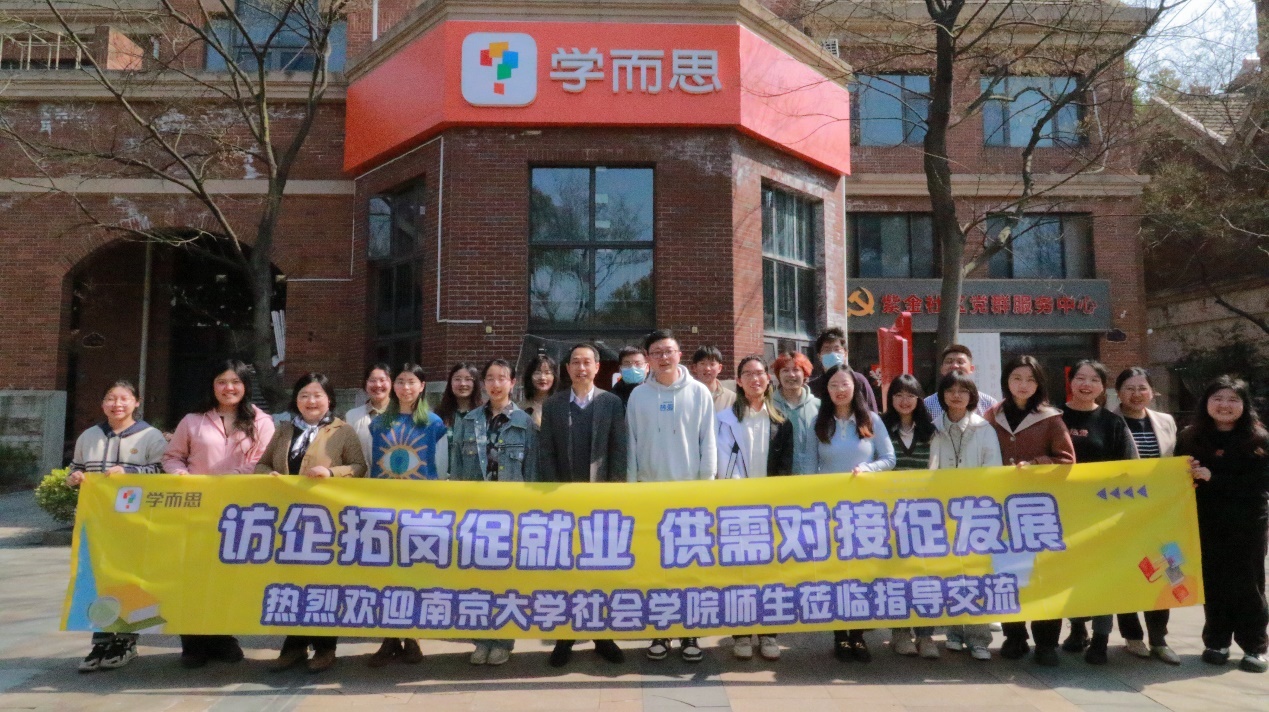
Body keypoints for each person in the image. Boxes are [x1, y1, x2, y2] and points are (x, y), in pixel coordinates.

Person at [162, 359, 275, 669]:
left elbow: (262, 461)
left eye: (235, 382)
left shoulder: (262, 421)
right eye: (222, 382)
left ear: (245, 386)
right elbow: (172, 457)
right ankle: (192, 643)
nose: (229, 388)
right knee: (192, 575)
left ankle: (223, 638)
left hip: (240, 511)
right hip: (195, 510)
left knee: (227, 576)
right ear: (212, 386)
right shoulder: (192, 420)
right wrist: (182, 476)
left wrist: (230, 479)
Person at [256, 373, 367, 673]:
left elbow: (359, 467)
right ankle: (293, 646)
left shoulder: (342, 431)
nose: (311, 401)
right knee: (292, 581)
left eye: (317, 395)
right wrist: (268, 474)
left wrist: (331, 473)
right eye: (304, 395)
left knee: (322, 584)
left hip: (327, 521)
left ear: (329, 399)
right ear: (296, 400)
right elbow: (262, 463)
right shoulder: (284, 429)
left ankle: (325, 647)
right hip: (288, 520)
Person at [627, 329, 717, 663]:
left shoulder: (699, 392)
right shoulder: (638, 396)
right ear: (648, 359)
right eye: (656, 352)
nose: (663, 357)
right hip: (650, 494)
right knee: (656, 568)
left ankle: (690, 632)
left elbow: (708, 442)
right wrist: (632, 488)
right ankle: (660, 631)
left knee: (688, 568)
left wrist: (705, 486)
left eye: (669, 351)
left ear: (679, 354)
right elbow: (631, 444)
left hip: (689, 494)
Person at [67, 380, 168, 672]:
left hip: (135, 522)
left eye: (124, 398)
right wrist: (74, 478)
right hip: (97, 523)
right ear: (103, 404)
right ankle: (100, 641)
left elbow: (162, 471)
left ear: (136, 402)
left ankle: (126, 641)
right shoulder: (89, 436)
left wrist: (130, 471)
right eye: (111, 398)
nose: (117, 404)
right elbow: (76, 467)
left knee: (131, 581)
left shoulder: (150, 436)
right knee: (96, 580)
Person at [538, 343, 628, 667]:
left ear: (597, 367)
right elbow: (546, 452)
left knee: (599, 571)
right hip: (563, 503)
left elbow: (618, 451)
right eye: (575, 362)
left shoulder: (611, 403)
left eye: (587, 362)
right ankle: (565, 636)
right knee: (566, 572)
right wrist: (553, 495)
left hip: (600, 504)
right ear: (567, 369)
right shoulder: (554, 405)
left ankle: (603, 636)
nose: (581, 368)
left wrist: (614, 494)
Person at [987, 355, 1075, 666]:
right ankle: (1015, 636)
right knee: (1009, 574)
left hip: (1040, 511)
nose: (1023, 385)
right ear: (1006, 382)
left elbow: (1067, 461)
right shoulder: (991, 416)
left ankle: (1047, 642)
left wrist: (1037, 464)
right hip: (1001, 509)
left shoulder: (1050, 419)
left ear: (1039, 384)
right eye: (1017, 378)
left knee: (1044, 575)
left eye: (1030, 379)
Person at [1177, 376, 1269, 674]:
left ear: (1245, 405)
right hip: (1205, 521)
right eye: (1217, 398)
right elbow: (1176, 478)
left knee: (1248, 583)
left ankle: (1255, 646)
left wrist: (1213, 478)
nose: (1224, 405)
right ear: (1206, 402)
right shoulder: (1190, 437)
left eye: (1233, 399)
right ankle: (1217, 642)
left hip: (1247, 523)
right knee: (1213, 582)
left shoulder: (1258, 439)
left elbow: (1260, 483)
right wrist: (1186, 472)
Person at [452, 358, 538, 666]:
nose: (496, 384)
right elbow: (457, 468)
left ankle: (503, 640)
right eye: (490, 378)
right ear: (484, 383)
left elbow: (532, 473)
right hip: (475, 514)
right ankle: (481, 639)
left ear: (512, 383)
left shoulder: (525, 423)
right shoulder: (468, 420)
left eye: (502, 378)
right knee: (478, 579)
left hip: (510, 515)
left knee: (506, 580)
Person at [365, 363, 449, 668]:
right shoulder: (378, 423)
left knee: (415, 572)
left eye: (411, 382)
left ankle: (412, 636)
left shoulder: (434, 424)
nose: (405, 387)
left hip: (420, 510)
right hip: (385, 509)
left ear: (422, 386)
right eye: (400, 382)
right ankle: (388, 637)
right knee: (386, 573)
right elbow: (372, 463)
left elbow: (440, 467)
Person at [813, 364, 895, 662]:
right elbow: (809, 465)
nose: (839, 390)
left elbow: (889, 458)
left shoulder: (871, 420)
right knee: (837, 574)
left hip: (864, 511)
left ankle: (858, 635)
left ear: (855, 387)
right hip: (830, 511)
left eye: (844, 384)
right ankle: (840, 636)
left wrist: (868, 469)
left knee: (861, 573)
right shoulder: (819, 423)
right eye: (833, 385)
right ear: (827, 390)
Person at [1060, 359, 1138, 665]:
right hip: (1063, 512)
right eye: (1080, 378)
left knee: (1103, 575)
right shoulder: (1054, 417)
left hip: (1102, 513)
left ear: (1102, 387)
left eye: (1094, 380)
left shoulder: (1112, 423)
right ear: (1071, 382)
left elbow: (1129, 468)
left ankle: (1101, 638)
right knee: (1071, 574)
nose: (1086, 384)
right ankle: (1077, 628)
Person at [715, 354, 792, 661]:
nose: (755, 378)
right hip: (738, 508)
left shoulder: (780, 421)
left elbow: (785, 468)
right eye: (748, 374)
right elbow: (724, 463)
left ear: (767, 379)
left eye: (760, 373)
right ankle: (742, 634)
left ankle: (769, 633)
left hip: (770, 509)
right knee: (741, 574)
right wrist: (742, 497)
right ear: (739, 380)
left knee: (769, 573)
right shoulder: (725, 420)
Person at [927, 371, 1003, 661]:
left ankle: (979, 638)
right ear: (942, 396)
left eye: (963, 390)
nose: (956, 395)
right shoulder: (934, 428)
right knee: (949, 572)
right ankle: (954, 633)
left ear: (972, 396)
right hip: (943, 512)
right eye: (950, 390)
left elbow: (993, 470)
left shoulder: (984, 429)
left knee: (975, 573)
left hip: (975, 512)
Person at [1110, 367, 1180, 664]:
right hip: (1122, 513)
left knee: (1165, 571)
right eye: (1129, 388)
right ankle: (1133, 636)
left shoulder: (1166, 421)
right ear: (1118, 392)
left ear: (1152, 391)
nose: (1136, 394)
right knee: (1128, 573)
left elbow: (1175, 462)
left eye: (1142, 388)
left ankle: (1159, 639)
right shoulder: (1108, 421)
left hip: (1160, 513)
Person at [877, 375, 939, 659]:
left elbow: (937, 470)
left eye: (910, 395)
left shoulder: (931, 431)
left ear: (919, 399)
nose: (904, 401)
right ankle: (900, 633)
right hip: (890, 515)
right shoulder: (881, 428)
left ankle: (926, 635)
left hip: (924, 515)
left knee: (925, 575)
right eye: (898, 395)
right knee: (897, 575)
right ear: (891, 399)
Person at [773, 351, 821, 475]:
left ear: (805, 374)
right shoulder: (769, 407)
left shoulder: (818, 406)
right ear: (778, 375)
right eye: (785, 370)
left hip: (813, 478)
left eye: (796, 370)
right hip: (778, 479)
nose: (791, 375)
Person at [807, 327, 877, 411]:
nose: (832, 353)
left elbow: (872, 413)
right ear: (819, 356)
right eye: (827, 349)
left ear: (845, 354)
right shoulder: (813, 387)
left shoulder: (858, 381)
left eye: (837, 349)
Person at [923, 344, 999, 420]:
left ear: (971, 369)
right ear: (942, 369)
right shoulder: (928, 404)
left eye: (960, 362)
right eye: (949, 362)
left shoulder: (988, 403)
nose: (955, 366)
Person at [343, 363, 392, 463]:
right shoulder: (352, 417)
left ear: (392, 383)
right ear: (365, 384)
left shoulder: (402, 414)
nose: (378, 385)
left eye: (382, 380)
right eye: (372, 380)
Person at [435, 362, 484, 437]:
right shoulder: (440, 414)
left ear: (475, 383)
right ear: (450, 383)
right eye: (457, 379)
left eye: (468, 379)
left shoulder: (484, 413)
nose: (462, 384)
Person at [691, 344, 737, 413]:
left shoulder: (731, 398)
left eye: (712, 364)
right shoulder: (687, 394)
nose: (707, 368)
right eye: (702, 363)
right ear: (695, 367)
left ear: (719, 368)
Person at [518, 352, 558, 427]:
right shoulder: (520, 408)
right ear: (530, 377)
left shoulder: (561, 406)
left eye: (547, 373)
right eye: (537, 373)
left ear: (554, 377)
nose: (542, 377)